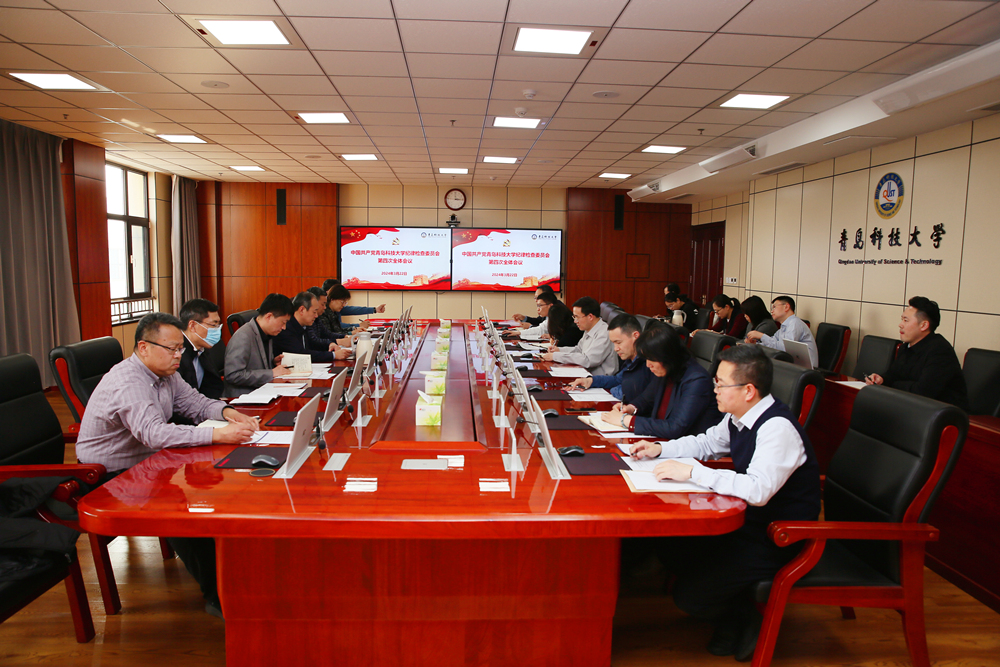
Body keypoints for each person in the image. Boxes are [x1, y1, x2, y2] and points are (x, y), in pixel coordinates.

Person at [630, 345, 821, 661]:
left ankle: (747, 619)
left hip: (779, 536)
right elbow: (707, 443)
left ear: (748, 390)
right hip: (747, 522)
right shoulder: (738, 416)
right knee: (669, 545)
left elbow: (758, 490)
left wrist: (695, 472)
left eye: (720, 383)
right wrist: (660, 450)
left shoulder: (777, 428)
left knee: (689, 598)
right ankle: (735, 612)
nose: (714, 389)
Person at [76, 312, 260, 617]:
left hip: (147, 464)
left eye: (180, 349)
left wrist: (228, 413)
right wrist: (216, 434)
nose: (178, 356)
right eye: (172, 349)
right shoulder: (128, 381)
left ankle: (236, 574)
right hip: (106, 476)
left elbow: (195, 403)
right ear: (144, 347)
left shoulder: (165, 374)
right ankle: (219, 596)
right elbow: (153, 433)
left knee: (216, 494)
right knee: (184, 512)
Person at [603, 323, 719, 437]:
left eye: (651, 359)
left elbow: (675, 427)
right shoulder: (667, 369)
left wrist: (626, 420)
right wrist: (630, 408)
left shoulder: (697, 380)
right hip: (661, 441)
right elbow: (646, 399)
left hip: (688, 446)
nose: (648, 365)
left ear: (667, 356)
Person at [865, 296, 969, 411]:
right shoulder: (906, 347)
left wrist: (892, 385)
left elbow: (923, 392)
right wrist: (881, 379)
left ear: (923, 325)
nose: (900, 324)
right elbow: (894, 374)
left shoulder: (940, 351)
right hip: (912, 407)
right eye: (902, 319)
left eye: (906, 320)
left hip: (943, 414)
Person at [570, 313, 654, 404]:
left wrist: (613, 389)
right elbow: (617, 380)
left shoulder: (648, 364)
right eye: (613, 343)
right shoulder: (631, 359)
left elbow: (625, 393)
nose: (615, 349)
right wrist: (590, 381)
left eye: (618, 342)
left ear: (635, 336)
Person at [223, 293, 296, 397]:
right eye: (283, 322)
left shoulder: (267, 333)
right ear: (269, 316)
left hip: (264, 391)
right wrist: (271, 373)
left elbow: (256, 365)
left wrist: (273, 363)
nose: (284, 327)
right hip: (244, 396)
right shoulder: (243, 336)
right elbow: (233, 375)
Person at [541, 296, 616, 375]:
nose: (575, 321)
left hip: (598, 379)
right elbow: (579, 349)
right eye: (574, 317)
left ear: (590, 317)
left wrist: (556, 356)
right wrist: (559, 350)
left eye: (577, 317)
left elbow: (587, 360)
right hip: (585, 373)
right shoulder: (589, 328)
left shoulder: (604, 333)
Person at [275, 291, 351, 363]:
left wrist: (330, 344)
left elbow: (313, 343)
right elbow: (300, 354)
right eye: (314, 312)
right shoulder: (286, 328)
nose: (316, 316)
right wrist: (333, 355)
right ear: (302, 310)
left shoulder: (304, 325)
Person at [745, 295, 818, 367]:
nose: (772, 311)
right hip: (795, 366)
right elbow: (773, 344)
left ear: (786, 307)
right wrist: (756, 344)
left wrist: (762, 336)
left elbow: (785, 349)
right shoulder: (783, 327)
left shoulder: (795, 323)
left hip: (807, 369)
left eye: (774, 307)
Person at [177, 298, 225, 400]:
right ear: (192, 326)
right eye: (213, 325)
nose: (217, 330)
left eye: (218, 325)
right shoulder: (176, 353)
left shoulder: (202, 348)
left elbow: (212, 387)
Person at [318, 280, 386, 331]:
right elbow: (336, 329)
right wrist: (358, 326)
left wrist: (374, 309)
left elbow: (353, 310)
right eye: (342, 301)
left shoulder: (334, 308)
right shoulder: (323, 311)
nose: (343, 305)